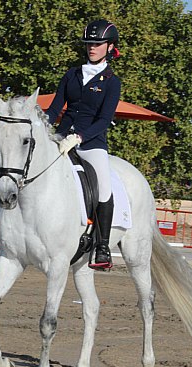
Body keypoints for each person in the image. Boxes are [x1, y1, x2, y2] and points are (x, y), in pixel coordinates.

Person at [45, 19, 122, 270]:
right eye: (89, 43)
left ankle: (102, 246)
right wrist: (45, 128)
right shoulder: (72, 74)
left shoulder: (112, 81)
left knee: (104, 188)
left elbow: (105, 119)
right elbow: (57, 106)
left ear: (110, 47)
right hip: (61, 136)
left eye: (97, 44)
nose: (92, 47)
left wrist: (80, 137)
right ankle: (3, 233)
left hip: (91, 143)